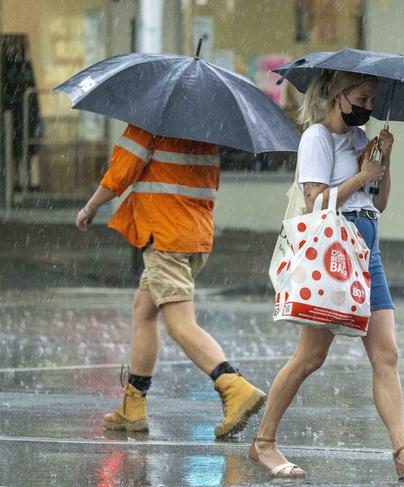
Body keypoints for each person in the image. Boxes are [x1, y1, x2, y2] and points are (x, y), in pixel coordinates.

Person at [248, 70, 404, 479]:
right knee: (311, 356)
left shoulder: (360, 139)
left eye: (373, 100)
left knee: (386, 353)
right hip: (333, 254)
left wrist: (383, 162)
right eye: (363, 98)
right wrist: (360, 176)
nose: (369, 108)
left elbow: (380, 201)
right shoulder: (316, 140)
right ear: (338, 95)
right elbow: (314, 203)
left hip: (367, 251)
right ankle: (264, 443)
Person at [76, 124, 266, 438]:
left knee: (180, 324)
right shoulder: (205, 134)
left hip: (166, 238)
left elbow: (120, 173)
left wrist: (90, 206)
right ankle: (133, 405)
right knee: (144, 311)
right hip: (192, 236)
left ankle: (234, 386)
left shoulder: (150, 125)